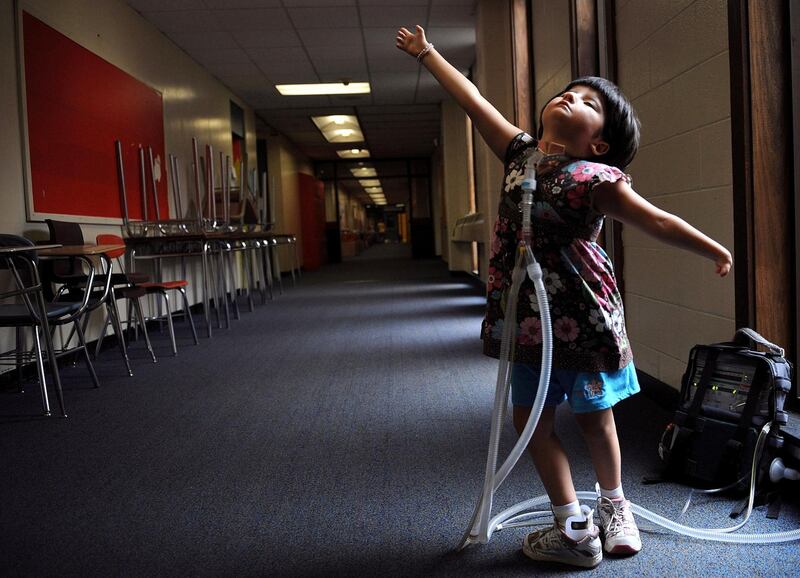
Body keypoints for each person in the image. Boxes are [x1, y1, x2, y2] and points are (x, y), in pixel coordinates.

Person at [396, 25, 733, 569]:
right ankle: (572, 524)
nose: (570, 97)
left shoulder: (598, 177)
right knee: (532, 423)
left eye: (588, 102)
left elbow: (657, 221)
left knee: (595, 419)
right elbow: (474, 101)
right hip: (527, 321)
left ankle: (615, 507)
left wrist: (713, 249)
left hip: (582, 318)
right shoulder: (519, 154)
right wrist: (429, 54)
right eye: (569, 91)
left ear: (599, 141)